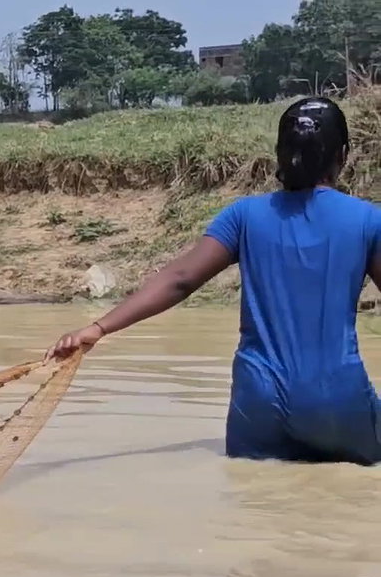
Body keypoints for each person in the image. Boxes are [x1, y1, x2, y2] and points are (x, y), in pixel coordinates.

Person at [46, 96, 381, 465]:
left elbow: (179, 279)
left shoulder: (244, 216)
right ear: (343, 154)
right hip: (337, 399)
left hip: (257, 403)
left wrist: (98, 327)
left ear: (280, 153)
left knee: (255, 502)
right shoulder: (367, 221)